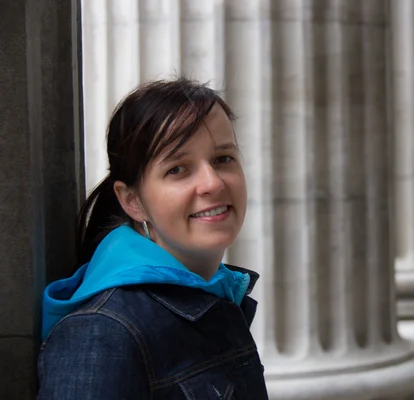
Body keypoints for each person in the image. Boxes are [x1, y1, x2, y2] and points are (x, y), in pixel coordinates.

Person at [37, 78, 269, 399]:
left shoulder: (215, 295)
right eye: (178, 169)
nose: (212, 183)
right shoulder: (102, 332)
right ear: (132, 201)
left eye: (222, 159)